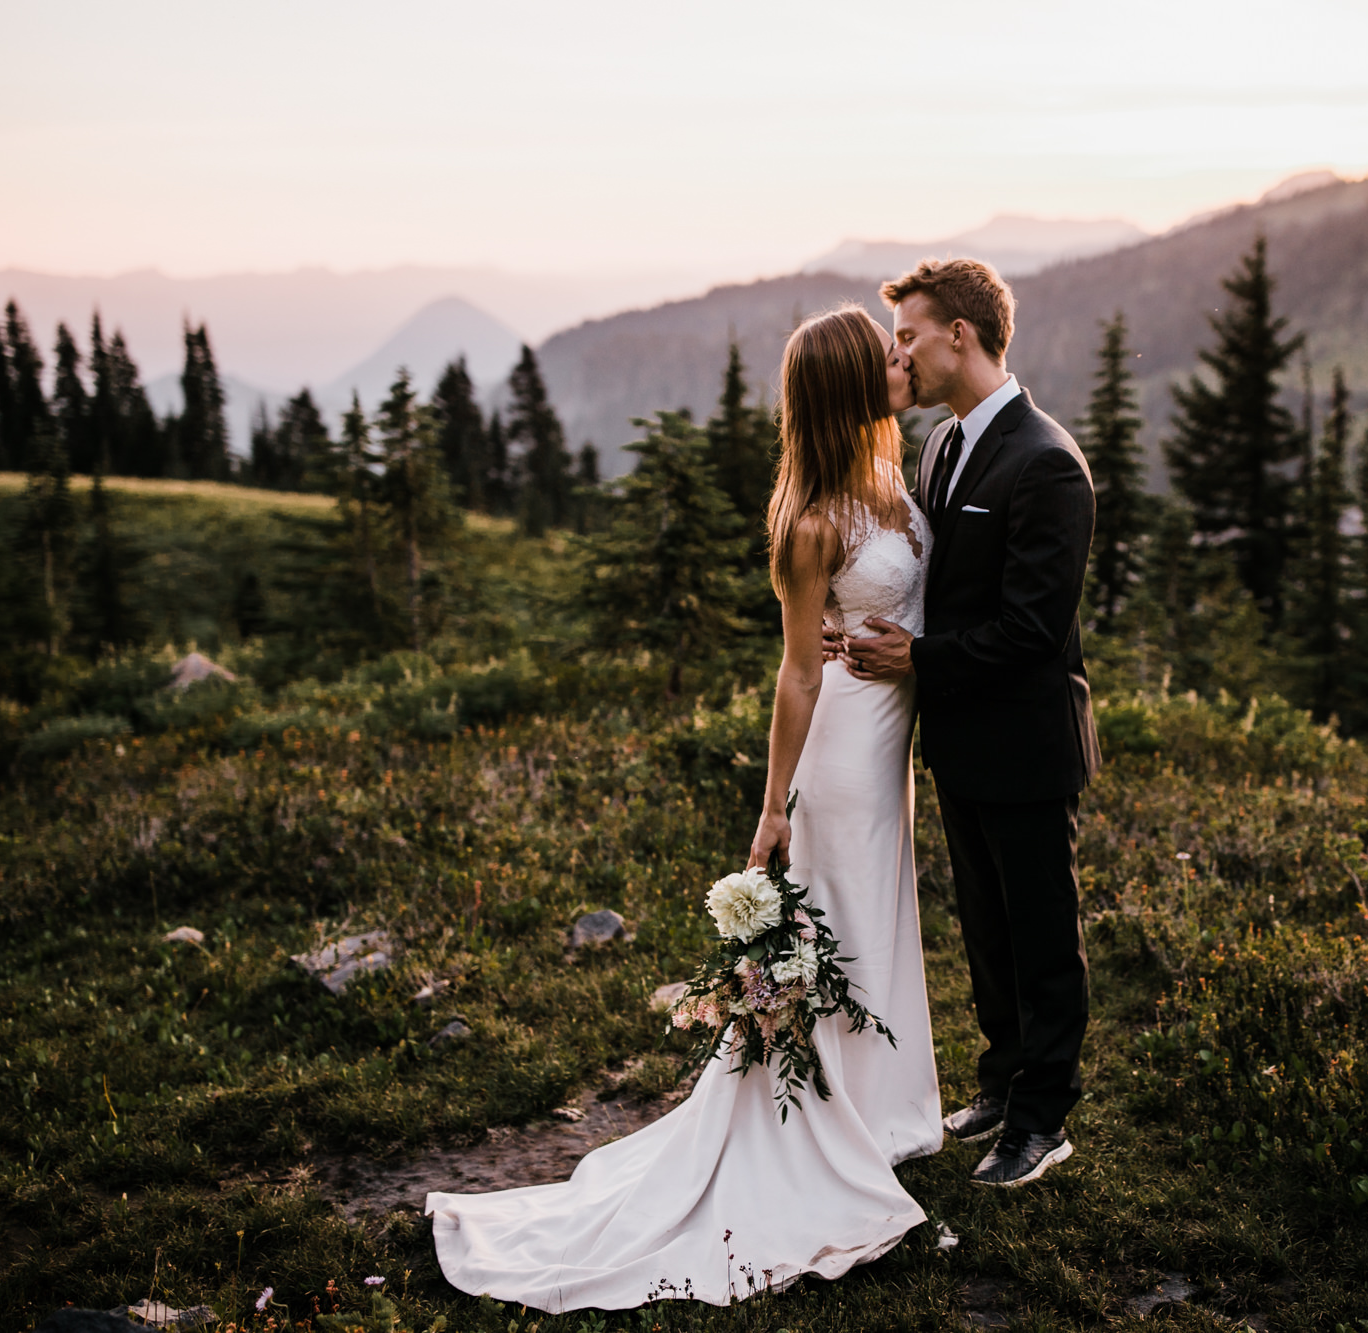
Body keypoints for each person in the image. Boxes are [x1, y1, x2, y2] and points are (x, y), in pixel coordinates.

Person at [426, 305, 941, 1311]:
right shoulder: (810, 519)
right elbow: (797, 674)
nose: (901, 361)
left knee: (880, 918)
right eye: (884, 355)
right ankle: (828, 1131)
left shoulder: (890, 474)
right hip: (839, 750)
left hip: (892, 744)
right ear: (844, 384)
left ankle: (882, 1109)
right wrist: (773, 808)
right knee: (834, 925)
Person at [841, 258, 1099, 1188]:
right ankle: (1000, 1079)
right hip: (959, 740)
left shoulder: (1046, 462)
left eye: (908, 334)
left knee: (1040, 931)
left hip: (1027, 740)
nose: (897, 352)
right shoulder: (944, 448)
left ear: (961, 333)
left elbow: (1034, 630)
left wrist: (918, 661)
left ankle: (1043, 1118)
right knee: (987, 929)